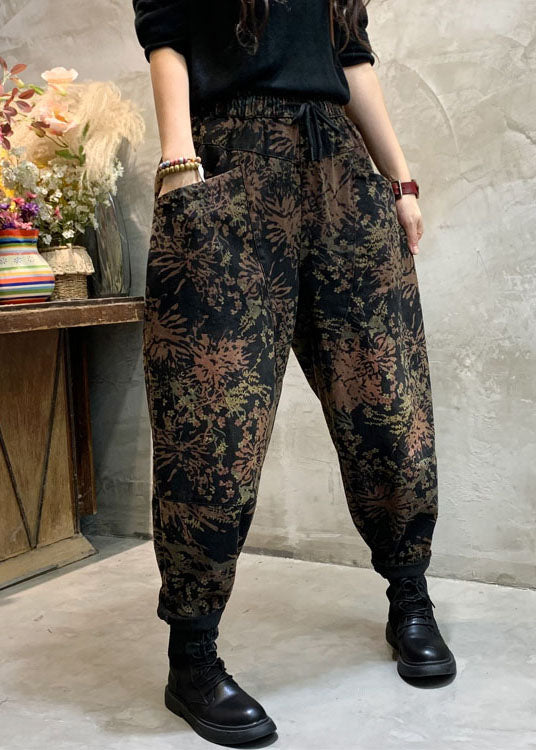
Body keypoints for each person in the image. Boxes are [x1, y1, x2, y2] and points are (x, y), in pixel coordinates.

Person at [132, 0, 456, 744]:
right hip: (229, 164)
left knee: (390, 404)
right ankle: (192, 655)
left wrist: (400, 180)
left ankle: (410, 597)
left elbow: (352, 56)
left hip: (342, 167)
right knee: (212, 423)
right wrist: (179, 166)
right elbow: (166, 36)